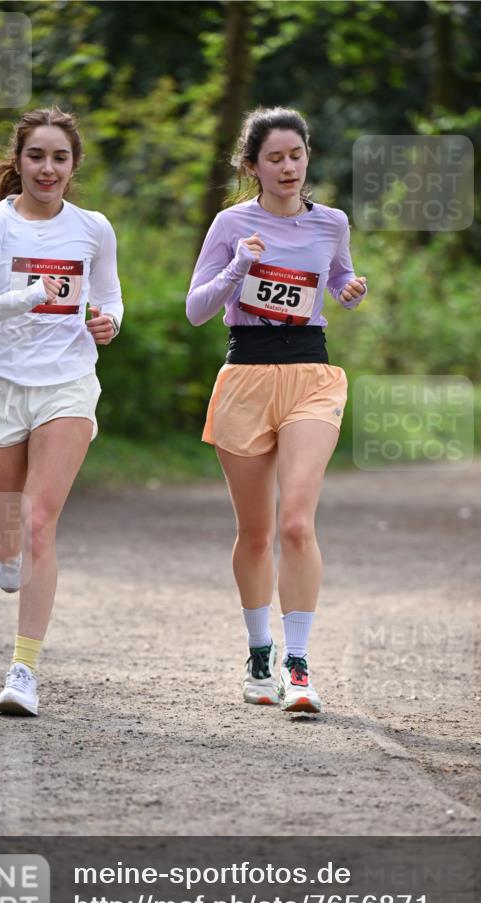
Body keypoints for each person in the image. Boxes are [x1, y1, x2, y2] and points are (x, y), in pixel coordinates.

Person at [0, 107, 123, 717]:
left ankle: (23, 670)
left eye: (59, 158)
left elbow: (112, 297)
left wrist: (108, 322)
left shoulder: (93, 228)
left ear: (74, 166)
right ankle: (3, 551)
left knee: (41, 521)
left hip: (66, 385)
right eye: (36, 156)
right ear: (18, 162)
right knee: (7, 534)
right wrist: (25, 297)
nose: (47, 168)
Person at [186, 107, 366, 714]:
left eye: (297, 155)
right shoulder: (231, 223)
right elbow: (196, 309)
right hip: (246, 377)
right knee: (257, 533)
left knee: (296, 523)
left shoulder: (332, 223)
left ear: (308, 156)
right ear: (252, 166)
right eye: (275, 158)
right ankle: (259, 653)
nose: (289, 168)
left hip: (312, 375)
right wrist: (238, 268)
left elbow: (336, 278)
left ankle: (300, 665)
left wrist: (346, 289)